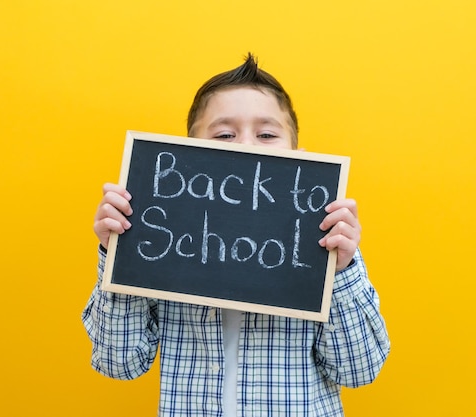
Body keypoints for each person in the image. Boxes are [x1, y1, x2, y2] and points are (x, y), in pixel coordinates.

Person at [82, 53, 390, 416]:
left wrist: (341, 271)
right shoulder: (161, 241)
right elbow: (119, 364)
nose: (245, 146)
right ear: (190, 152)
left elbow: (359, 370)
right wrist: (120, 252)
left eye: (267, 134)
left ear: (298, 155)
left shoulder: (324, 245)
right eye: (225, 134)